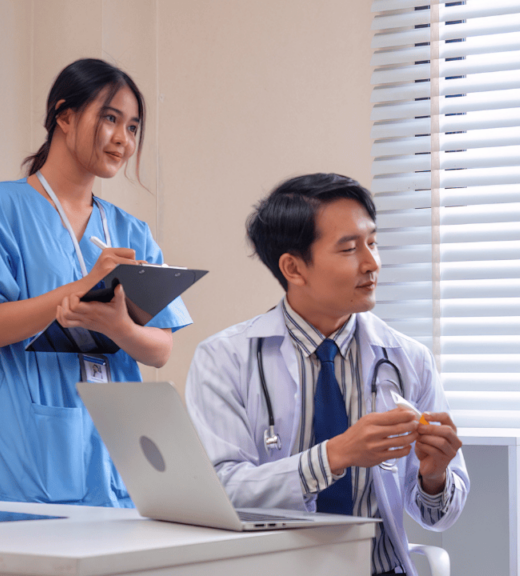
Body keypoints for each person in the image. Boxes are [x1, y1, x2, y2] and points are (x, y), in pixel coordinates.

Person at [185, 173, 468, 576]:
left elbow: (438, 517)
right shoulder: (224, 358)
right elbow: (221, 492)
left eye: (372, 242)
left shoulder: (409, 359)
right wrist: (335, 456)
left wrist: (434, 476)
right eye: (350, 248)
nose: (372, 264)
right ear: (293, 268)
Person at [0, 58, 191, 506]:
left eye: (133, 127)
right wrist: (80, 287)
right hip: (26, 449)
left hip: (116, 452)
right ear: (65, 115)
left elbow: (160, 349)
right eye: (110, 118)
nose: (123, 139)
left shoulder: (132, 232)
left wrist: (119, 327)